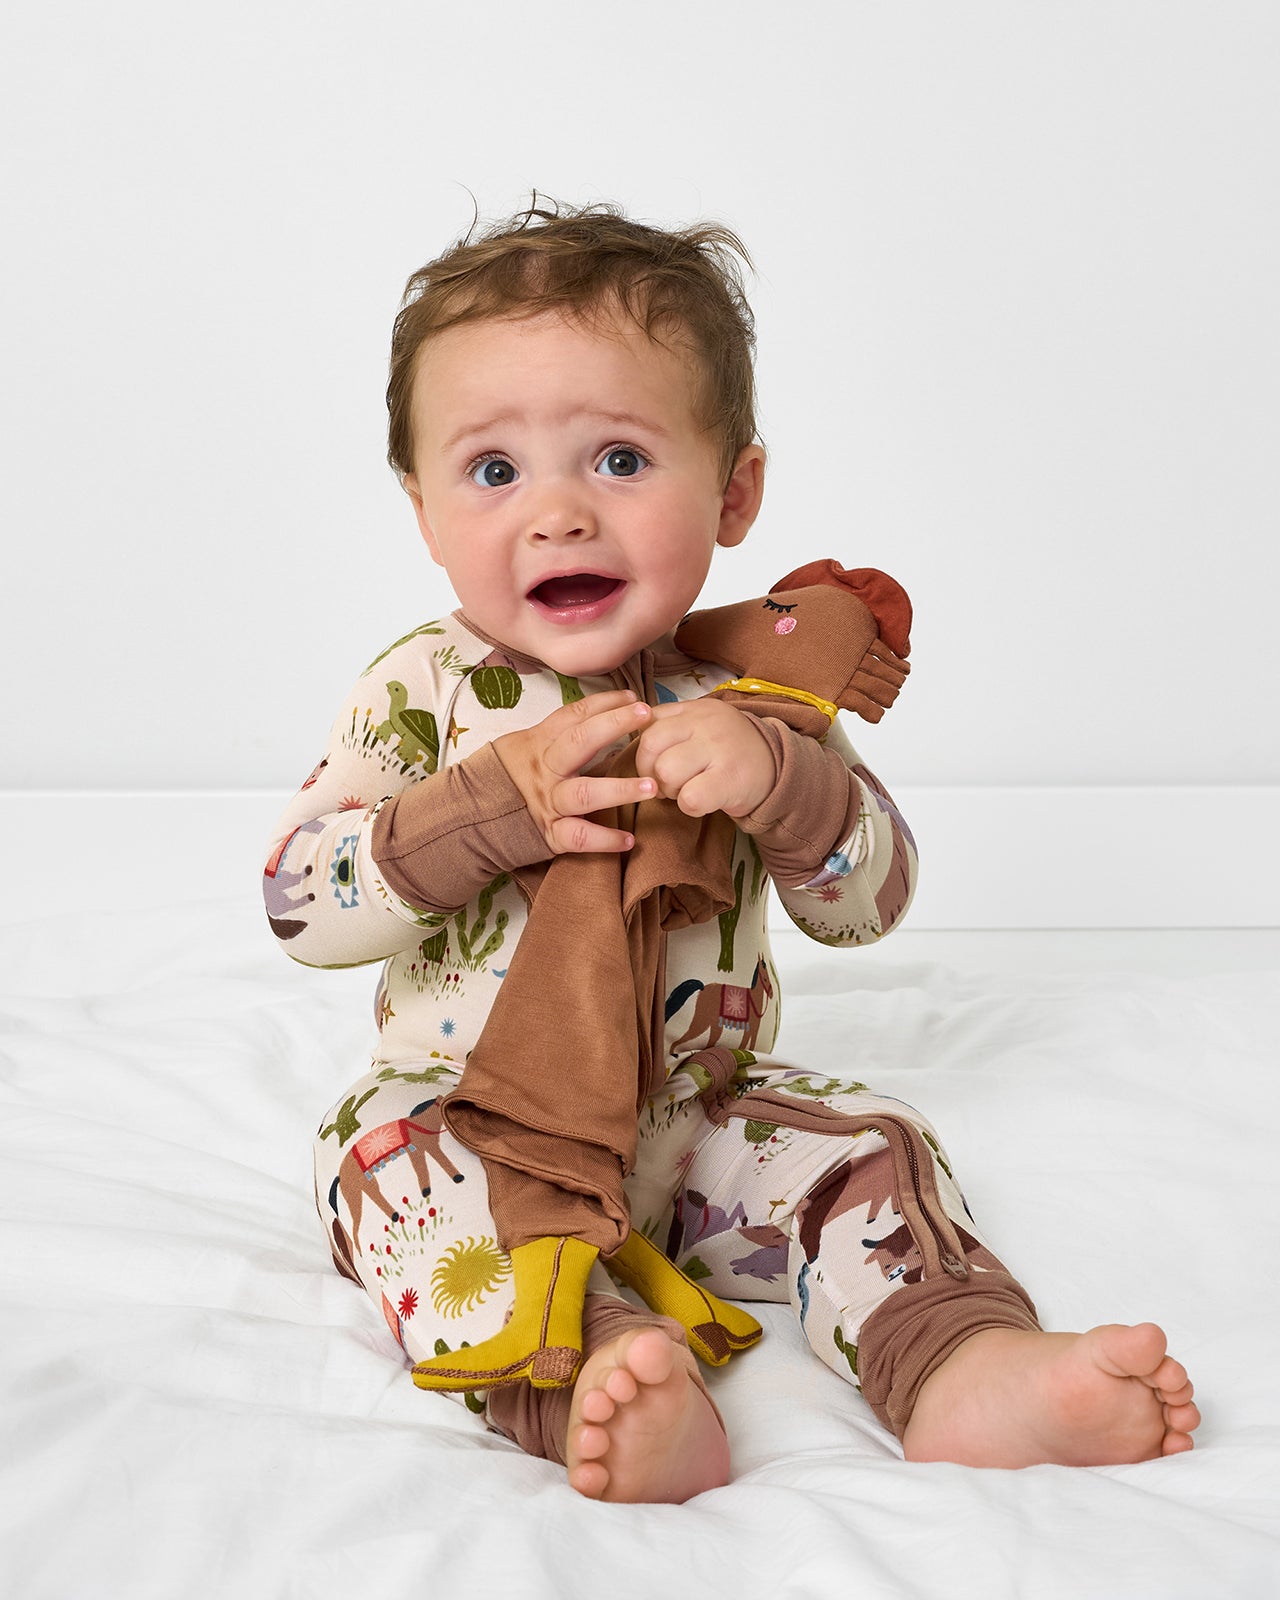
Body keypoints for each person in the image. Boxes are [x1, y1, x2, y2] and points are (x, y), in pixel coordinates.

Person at [266, 201, 1199, 1503]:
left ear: (737, 491)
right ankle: (586, 1371)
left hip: (693, 1123)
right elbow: (298, 904)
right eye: (493, 472)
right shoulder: (423, 693)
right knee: (391, 1178)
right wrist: (476, 811)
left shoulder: (745, 701)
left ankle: (957, 1362)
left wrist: (787, 788)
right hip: (479, 1116)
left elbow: (871, 903)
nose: (558, 517)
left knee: (872, 1142)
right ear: (424, 512)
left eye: (620, 461)